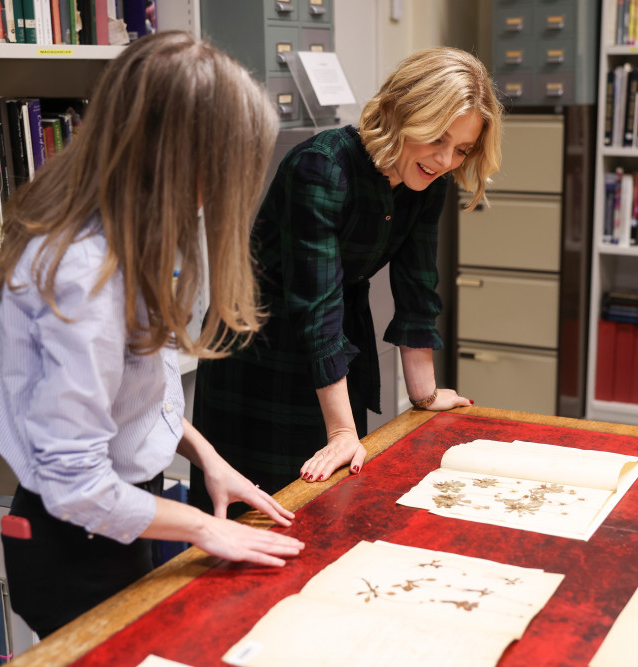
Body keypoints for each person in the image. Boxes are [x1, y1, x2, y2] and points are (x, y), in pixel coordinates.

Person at [0, 31, 304, 639]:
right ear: (182, 161)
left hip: (124, 514)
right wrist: (204, 528)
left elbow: (128, 389)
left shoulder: (128, 231)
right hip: (77, 542)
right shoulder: (82, 277)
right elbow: (76, 485)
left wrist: (206, 457)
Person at [189, 46, 504, 512]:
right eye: (437, 139)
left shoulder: (427, 182)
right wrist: (340, 431)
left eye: (461, 149)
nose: (444, 160)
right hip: (260, 346)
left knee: (336, 500)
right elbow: (316, 305)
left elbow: (418, 288)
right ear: (400, 112)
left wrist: (425, 394)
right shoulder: (320, 167)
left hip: (333, 351)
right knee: (260, 508)